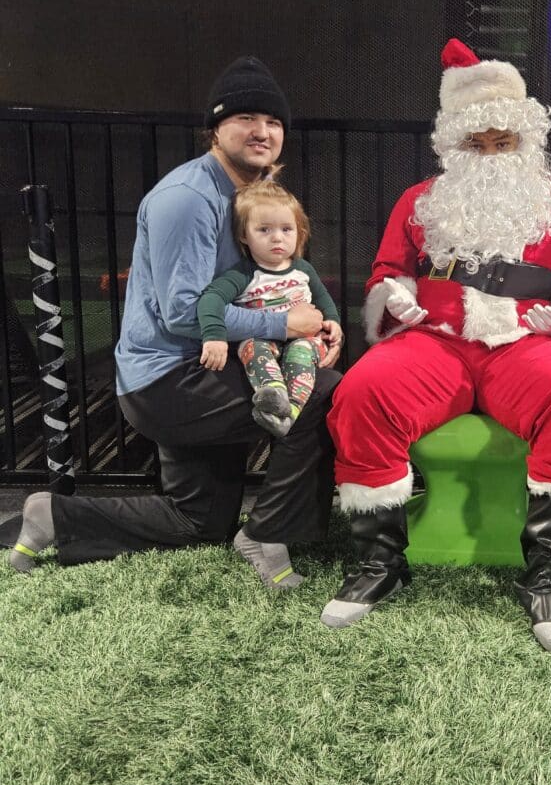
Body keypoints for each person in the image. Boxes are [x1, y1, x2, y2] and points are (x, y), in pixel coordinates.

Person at [321, 38, 551, 653]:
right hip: (436, 338)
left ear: (524, 140)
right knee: (362, 392)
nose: (490, 155)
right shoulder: (419, 202)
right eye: (476, 145)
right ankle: (379, 563)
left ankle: (547, 574)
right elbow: (387, 271)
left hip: (525, 340)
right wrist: (394, 297)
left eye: (502, 142)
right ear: (455, 146)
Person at [9, 56, 343, 589]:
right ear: (215, 128)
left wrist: (321, 323)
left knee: (197, 522)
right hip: (171, 379)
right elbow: (184, 313)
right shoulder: (186, 199)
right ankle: (268, 533)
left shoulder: (248, 197)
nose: (262, 131)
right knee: (322, 393)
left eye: (273, 121)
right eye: (246, 118)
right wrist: (285, 327)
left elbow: (275, 283)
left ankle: (54, 516)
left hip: (208, 366)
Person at [198, 179, 339, 439]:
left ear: (298, 232)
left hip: (305, 341)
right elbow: (211, 299)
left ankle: (290, 413)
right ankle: (273, 394)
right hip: (263, 341)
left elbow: (323, 297)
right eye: (264, 229)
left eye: (287, 229)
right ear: (244, 235)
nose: (277, 237)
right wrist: (215, 335)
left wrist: (333, 322)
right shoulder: (243, 274)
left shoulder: (303, 269)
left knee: (300, 351)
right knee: (251, 346)